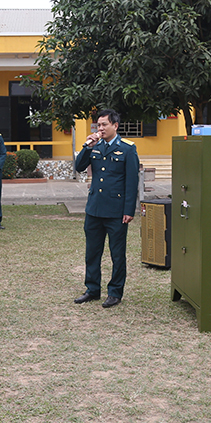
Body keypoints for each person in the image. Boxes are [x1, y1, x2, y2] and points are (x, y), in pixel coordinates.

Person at [73, 109, 139, 308]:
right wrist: (86, 146)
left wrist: (129, 210)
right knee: (92, 252)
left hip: (116, 211)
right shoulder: (95, 146)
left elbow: (131, 181)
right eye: (98, 125)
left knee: (117, 254)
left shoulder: (127, 149)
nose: (100, 128)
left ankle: (115, 292)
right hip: (94, 209)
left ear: (115, 126)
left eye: (104, 125)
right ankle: (92, 290)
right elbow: (79, 167)